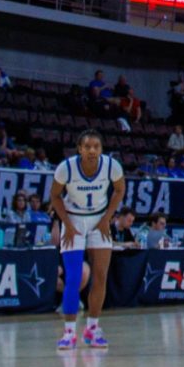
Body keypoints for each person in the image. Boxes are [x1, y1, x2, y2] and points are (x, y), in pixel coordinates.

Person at [50, 128, 125, 351]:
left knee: (100, 277)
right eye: (88, 147)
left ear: (101, 149)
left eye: (97, 147)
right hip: (73, 221)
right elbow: (54, 196)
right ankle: (69, 332)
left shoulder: (112, 166)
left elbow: (119, 190)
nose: (92, 150)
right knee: (73, 278)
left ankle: (93, 329)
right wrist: (66, 223)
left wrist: (107, 219)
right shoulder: (66, 168)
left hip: (99, 221)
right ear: (80, 149)